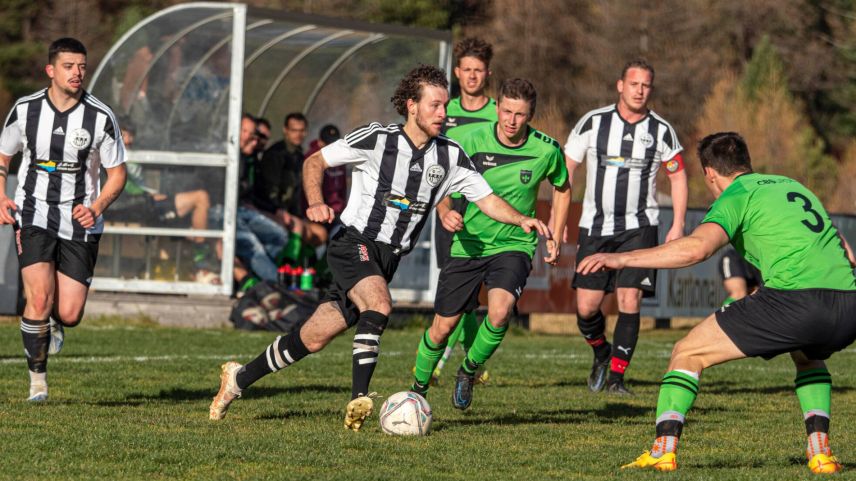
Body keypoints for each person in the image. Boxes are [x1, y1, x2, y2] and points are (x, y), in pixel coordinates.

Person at [209, 65, 550, 431]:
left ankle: (239, 379)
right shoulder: (377, 139)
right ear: (411, 106)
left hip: (387, 258)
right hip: (353, 243)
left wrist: (520, 220)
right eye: (435, 106)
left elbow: (486, 199)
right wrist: (315, 201)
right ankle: (359, 399)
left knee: (313, 337)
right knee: (380, 304)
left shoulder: (450, 156)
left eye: (445, 106)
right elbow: (315, 162)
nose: (443, 114)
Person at [577, 132, 856, 474]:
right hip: (847, 305)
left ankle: (662, 450)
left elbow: (696, 249)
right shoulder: (790, 185)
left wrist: (624, 259)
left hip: (796, 301)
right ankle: (820, 454)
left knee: (686, 352)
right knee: (808, 355)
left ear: (709, 173)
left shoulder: (737, 194)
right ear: (746, 162)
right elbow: (846, 250)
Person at [409, 78, 571, 410]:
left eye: (520, 114)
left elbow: (562, 186)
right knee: (443, 327)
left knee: (499, 313)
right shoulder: (468, 141)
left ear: (531, 115)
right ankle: (416, 391)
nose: (512, 120)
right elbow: (439, 179)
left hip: (514, 244)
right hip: (469, 243)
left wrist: (555, 230)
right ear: (497, 108)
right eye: (507, 111)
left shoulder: (547, 149)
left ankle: (468, 371)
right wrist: (444, 211)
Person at [0, 38, 127, 401]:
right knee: (38, 298)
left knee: (69, 312)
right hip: (33, 212)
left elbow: (118, 174)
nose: (77, 73)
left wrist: (97, 207)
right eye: (69, 66)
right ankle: (37, 382)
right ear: (51, 70)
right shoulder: (25, 110)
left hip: (80, 221)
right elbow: (3, 156)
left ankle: (56, 322)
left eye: (82, 66)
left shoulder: (100, 116)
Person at [565, 59, 688, 395]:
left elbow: (677, 175)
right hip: (596, 226)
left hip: (640, 228)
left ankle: (618, 378)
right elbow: (567, 167)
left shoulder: (661, 130)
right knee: (586, 307)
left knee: (629, 298)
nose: (640, 90)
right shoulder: (594, 122)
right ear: (620, 85)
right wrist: (559, 217)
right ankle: (601, 353)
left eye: (646, 85)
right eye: (634, 84)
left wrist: (677, 224)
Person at [431, 37, 498, 384]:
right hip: (450, 205)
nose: (472, 76)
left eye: (478, 70)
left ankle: (471, 363)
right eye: (466, 70)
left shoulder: (498, 113)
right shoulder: (445, 111)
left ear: (487, 73)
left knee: (474, 292)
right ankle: (473, 363)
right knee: (457, 288)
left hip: (483, 206)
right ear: (457, 73)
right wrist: (442, 207)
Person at [117, 122, 219, 283]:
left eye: (131, 135)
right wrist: (146, 196)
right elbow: (119, 183)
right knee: (200, 198)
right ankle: (201, 261)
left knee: (210, 215)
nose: (129, 140)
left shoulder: (134, 152)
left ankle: (202, 264)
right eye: (124, 135)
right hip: (138, 205)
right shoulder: (113, 154)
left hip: (147, 200)